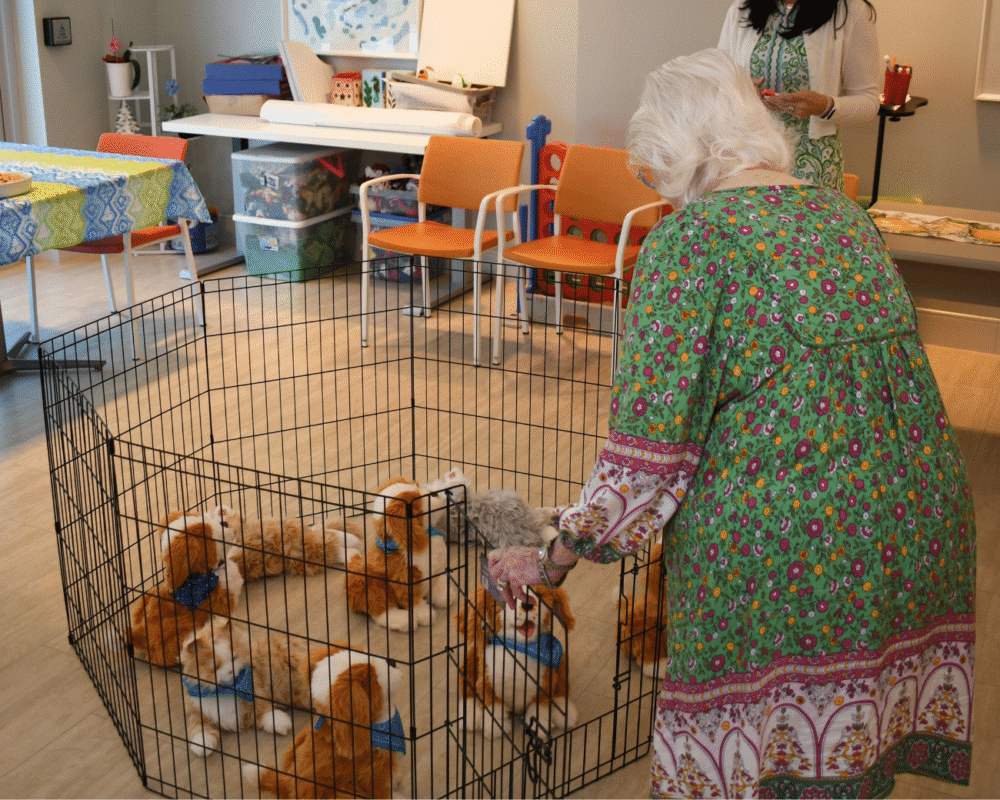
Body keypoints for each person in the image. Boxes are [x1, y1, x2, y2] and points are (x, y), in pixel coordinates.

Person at [488, 48, 975, 799]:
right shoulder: (842, 215)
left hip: (794, 544)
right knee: (844, 744)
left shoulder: (693, 241)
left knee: (754, 747)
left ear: (677, 158)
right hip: (915, 519)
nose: (664, 195)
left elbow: (649, 456)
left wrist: (553, 558)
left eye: (655, 176)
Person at [718, 0, 880, 191]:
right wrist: (741, 89)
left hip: (813, 167)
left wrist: (826, 106)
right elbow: (719, 80)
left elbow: (869, 101)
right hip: (749, 161)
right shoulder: (741, 9)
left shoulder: (850, 11)